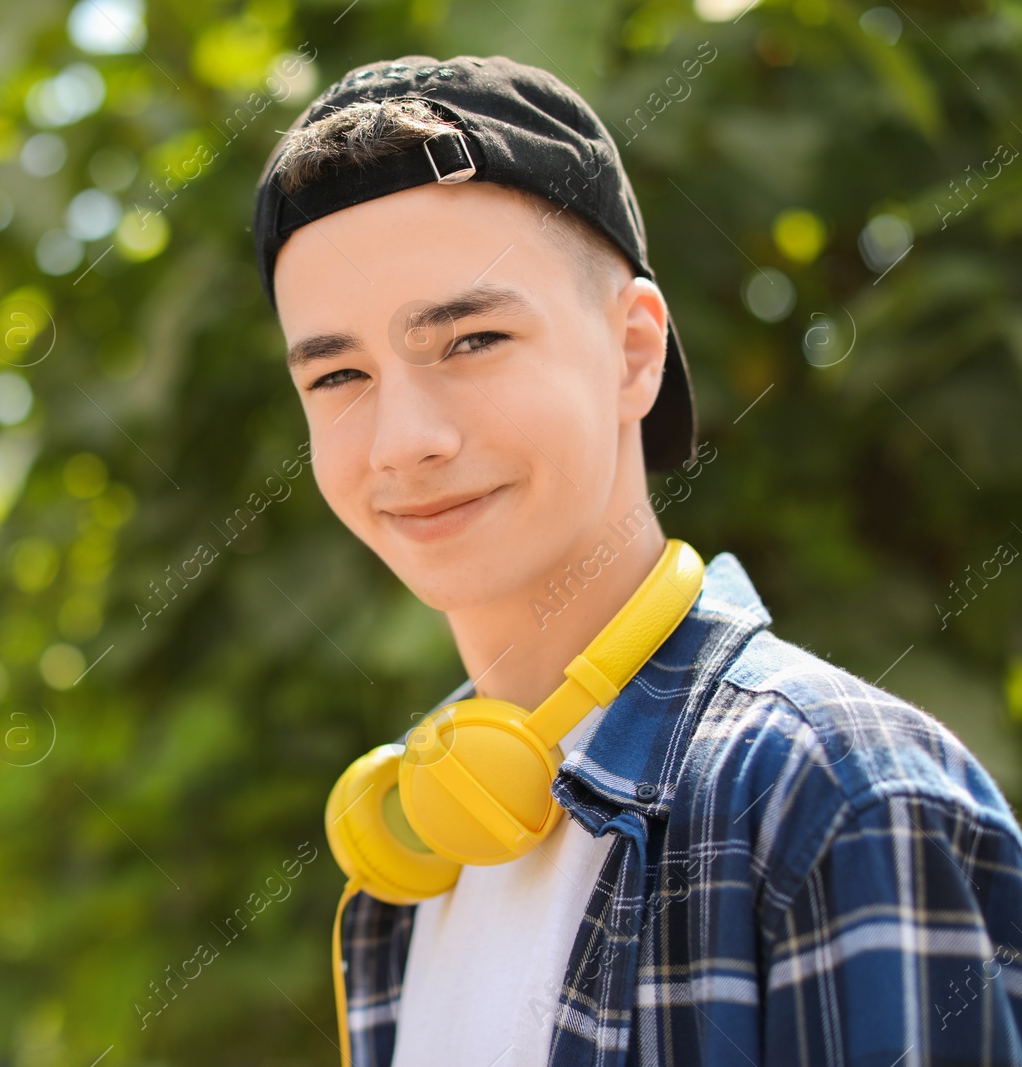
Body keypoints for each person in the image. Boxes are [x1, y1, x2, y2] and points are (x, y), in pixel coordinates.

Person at [250, 54, 1022, 1067]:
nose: (402, 439)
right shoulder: (415, 864)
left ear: (633, 351)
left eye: (471, 339)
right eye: (340, 373)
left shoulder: (836, 800)